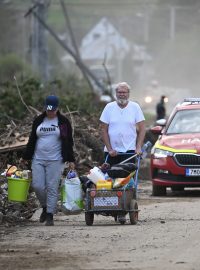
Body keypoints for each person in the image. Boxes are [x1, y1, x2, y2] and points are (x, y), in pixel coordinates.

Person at [21, 95, 75, 226]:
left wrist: (71, 159)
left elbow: (68, 142)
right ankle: (45, 207)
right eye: (48, 109)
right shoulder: (39, 120)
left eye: (52, 110)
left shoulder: (63, 122)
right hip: (38, 158)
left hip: (56, 160)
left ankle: (50, 214)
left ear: (57, 108)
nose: (50, 112)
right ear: (45, 108)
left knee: (52, 187)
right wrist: (25, 156)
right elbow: (32, 139)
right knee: (37, 186)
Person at [100, 82, 146, 167]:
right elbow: (103, 129)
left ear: (128, 94)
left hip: (129, 151)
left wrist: (138, 146)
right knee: (109, 178)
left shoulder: (135, 107)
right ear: (116, 93)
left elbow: (142, 128)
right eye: (119, 92)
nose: (122, 94)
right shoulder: (109, 107)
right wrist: (109, 149)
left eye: (124, 92)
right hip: (111, 152)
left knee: (126, 178)